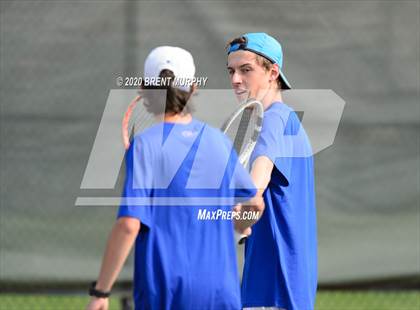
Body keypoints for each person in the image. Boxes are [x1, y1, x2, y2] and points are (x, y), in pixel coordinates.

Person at [86, 46, 263, 310]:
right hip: (221, 294)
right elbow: (255, 205)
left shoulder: (145, 145)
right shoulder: (218, 142)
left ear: (146, 89)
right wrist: (236, 222)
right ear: (192, 88)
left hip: (165, 293)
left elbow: (129, 225)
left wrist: (101, 292)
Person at [226, 33, 317, 310]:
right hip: (288, 287)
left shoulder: (273, 118)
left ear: (272, 72)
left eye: (246, 70)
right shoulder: (286, 120)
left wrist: (230, 223)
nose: (235, 80)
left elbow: (256, 188)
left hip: (271, 290)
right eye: (231, 71)